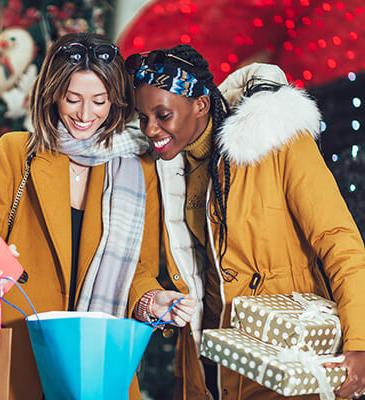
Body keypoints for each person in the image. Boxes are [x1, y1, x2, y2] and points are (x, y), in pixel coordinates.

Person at [0, 33, 196, 400]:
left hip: (93, 364)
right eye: (72, 98)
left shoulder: (136, 169)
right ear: (53, 94)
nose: (85, 114)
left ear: (115, 101)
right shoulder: (16, 153)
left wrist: (149, 300)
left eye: (99, 101)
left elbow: (138, 269)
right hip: (17, 350)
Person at [126, 44, 365, 399]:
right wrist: (148, 297)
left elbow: (340, 242)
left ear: (200, 105)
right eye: (143, 118)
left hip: (284, 359)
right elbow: (137, 262)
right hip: (205, 363)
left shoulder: (277, 141)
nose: (150, 129)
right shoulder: (156, 168)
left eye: (163, 115)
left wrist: (359, 344)